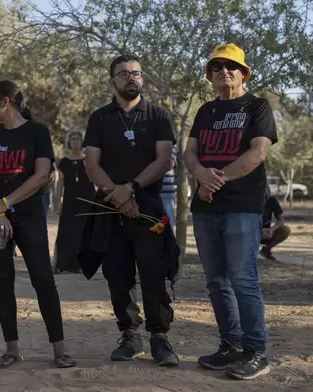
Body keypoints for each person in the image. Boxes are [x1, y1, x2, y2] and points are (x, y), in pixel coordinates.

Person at [184, 43, 277, 380]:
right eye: (217, 66)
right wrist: (199, 174)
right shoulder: (205, 111)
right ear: (210, 75)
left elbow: (258, 153)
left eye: (231, 66)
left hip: (242, 206)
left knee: (243, 278)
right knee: (216, 281)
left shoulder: (257, 107)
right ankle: (231, 346)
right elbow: (189, 152)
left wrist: (214, 180)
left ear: (243, 73)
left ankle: (256, 351)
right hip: (205, 208)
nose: (224, 70)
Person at [81, 55, 179, 366]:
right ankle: (128, 335)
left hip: (149, 207)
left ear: (143, 79)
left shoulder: (159, 116)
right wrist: (119, 197)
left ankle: (159, 338)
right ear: (112, 82)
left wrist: (131, 190)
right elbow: (91, 165)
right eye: (123, 74)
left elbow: (164, 160)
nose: (130, 78)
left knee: (154, 271)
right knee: (117, 274)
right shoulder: (99, 118)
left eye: (136, 73)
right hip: (111, 208)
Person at [0, 80, 76, 369]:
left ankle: (59, 350)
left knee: (43, 279)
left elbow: (42, 175)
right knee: (2, 281)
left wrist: (6, 204)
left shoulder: (37, 132)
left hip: (28, 215)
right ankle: (12, 350)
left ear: (5, 102)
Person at [53, 130, 95, 273]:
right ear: (69, 142)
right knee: (66, 231)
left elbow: (93, 180)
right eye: (73, 139)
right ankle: (62, 264)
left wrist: (88, 168)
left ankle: (85, 264)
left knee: (85, 231)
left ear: (81, 141)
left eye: (78, 139)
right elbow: (59, 184)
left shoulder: (88, 161)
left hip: (87, 200)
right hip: (70, 201)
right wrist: (58, 202)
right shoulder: (63, 162)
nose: (75, 142)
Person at [260, 189, 291, 261]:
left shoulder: (271, 200)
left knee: (285, 230)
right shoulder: (250, 200)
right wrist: (258, 231)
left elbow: (281, 220)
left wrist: (271, 229)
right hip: (251, 233)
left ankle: (266, 250)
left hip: (266, 234)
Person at [160, 144, 178, 232]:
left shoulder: (169, 142)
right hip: (142, 193)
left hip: (165, 195)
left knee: (167, 230)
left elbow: (169, 164)